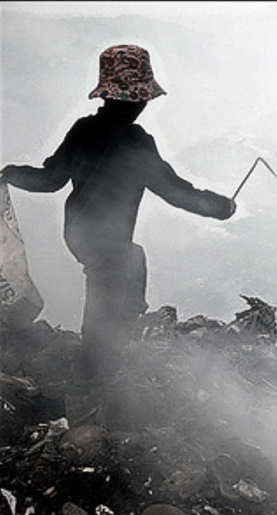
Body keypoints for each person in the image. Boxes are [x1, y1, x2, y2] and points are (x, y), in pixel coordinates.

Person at [0, 44, 237, 384]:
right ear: (140, 100)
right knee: (106, 296)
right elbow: (175, 192)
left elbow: (50, 179)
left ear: (106, 95)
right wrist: (221, 206)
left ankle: (124, 333)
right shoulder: (138, 144)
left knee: (132, 260)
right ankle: (93, 375)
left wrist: (13, 173)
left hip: (79, 233)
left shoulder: (83, 131)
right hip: (106, 240)